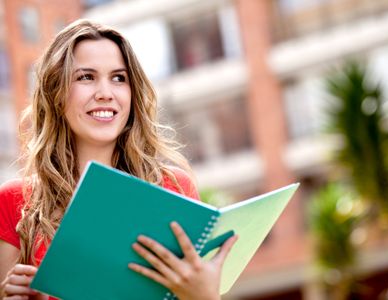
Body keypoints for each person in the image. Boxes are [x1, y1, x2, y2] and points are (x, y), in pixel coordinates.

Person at [0, 19, 237, 300]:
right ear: (56, 93)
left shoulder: (172, 188)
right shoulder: (14, 202)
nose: (105, 93)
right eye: (86, 77)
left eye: (119, 78)